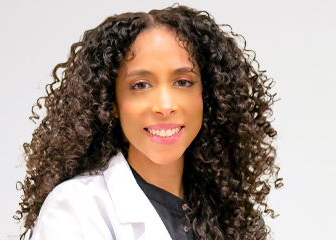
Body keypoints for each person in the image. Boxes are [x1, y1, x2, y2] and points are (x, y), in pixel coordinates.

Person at [14, 4, 283, 240]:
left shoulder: (232, 217)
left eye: (183, 82)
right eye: (140, 85)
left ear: (207, 95)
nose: (165, 106)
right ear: (112, 104)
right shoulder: (78, 208)